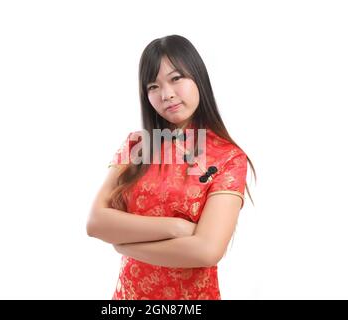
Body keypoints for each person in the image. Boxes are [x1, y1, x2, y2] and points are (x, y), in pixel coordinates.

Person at [86, 34, 256, 300]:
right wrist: (176, 228)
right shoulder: (136, 146)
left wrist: (124, 246)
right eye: (153, 86)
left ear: (198, 77)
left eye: (176, 78)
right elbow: (96, 222)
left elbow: (207, 251)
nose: (167, 94)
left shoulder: (228, 158)